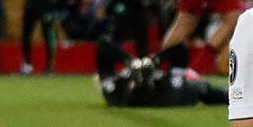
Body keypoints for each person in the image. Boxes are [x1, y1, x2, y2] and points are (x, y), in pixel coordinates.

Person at [94, 37, 225, 107]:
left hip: (171, 83)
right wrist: (154, 61)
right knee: (206, 89)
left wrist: (129, 61)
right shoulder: (170, 92)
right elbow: (181, 49)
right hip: (190, 86)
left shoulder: (115, 91)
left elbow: (103, 47)